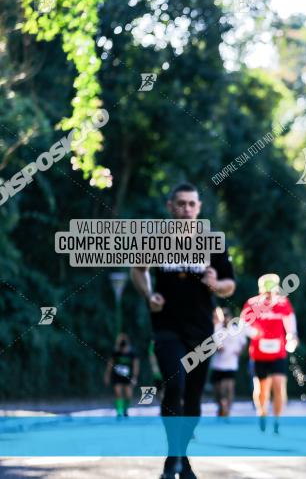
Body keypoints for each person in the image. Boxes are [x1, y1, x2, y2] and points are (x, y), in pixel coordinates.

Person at [130, 182, 236, 479]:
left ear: (199, 208)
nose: (186, 209)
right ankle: (173, 457)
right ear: (170, 207)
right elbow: (138, 270)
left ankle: (182, 456)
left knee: (192, 399)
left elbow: (230, 286)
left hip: (201, 331)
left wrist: (216, 284)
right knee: (174, 385)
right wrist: (149, 295)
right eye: (180, 203)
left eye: (191, 204)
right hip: (166, 327)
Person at [242, 273, 298, 434]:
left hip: (278, 353)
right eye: (266, 291)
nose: (268, 295)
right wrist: (255, 332)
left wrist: (291, 338)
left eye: (271, 291)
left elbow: (291, 325)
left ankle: (277, 419)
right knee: (261, 389)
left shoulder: (283, 303)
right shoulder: (252, 303)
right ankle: (262, 413)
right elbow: (243, 325)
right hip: (258, 354)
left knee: (279, 386)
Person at [210, 307, 247, 417]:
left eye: (227, 316)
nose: (225, 319)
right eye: (224, 316)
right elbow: (211, 344)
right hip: (218, 364)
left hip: (231, 364)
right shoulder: (216, 329)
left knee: (229, 388)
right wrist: (217, 347)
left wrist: (239, 352)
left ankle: (227, 410)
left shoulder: (236, 330)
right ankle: (220, 406)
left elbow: (244, 343)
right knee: (218, 390)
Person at [104, 333, 139, 417]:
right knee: (118, 393)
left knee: (128, 395)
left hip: (128, 377)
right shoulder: (115, 352)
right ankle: (119, 411)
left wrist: (134, 377)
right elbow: (110, 365)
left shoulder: (132, 353)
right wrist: (107, 376)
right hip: (117, 376)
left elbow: (136, 366)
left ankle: (125, 409)